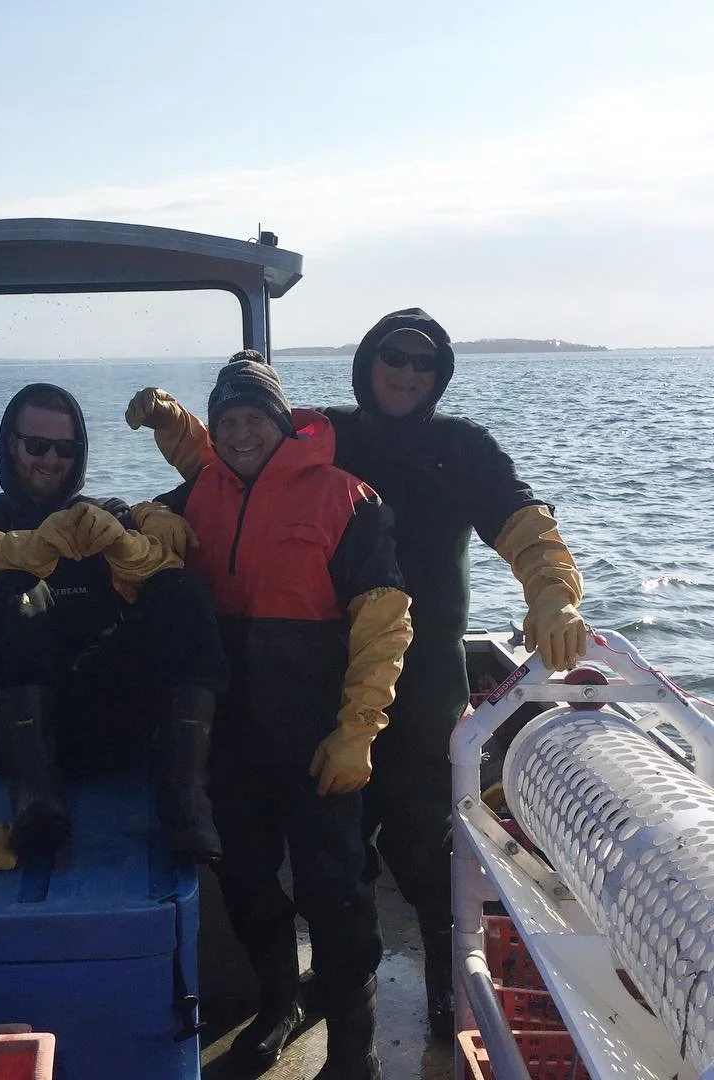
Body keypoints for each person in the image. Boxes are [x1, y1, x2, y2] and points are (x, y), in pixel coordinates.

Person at [125, 316, 586, 1040]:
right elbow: (239, 462)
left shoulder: (461, 447)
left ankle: (446, 975)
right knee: (340, 851)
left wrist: (554, 593)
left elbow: (524, 522)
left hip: (422, 674)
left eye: (423, 363)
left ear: (441, 375)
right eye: (391, 357)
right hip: (320, 678)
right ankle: (339, 984)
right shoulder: (331, 432)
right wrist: (175, 425)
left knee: (418, 838)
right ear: (367, 363)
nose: (406, 372)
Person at [132, 357, 412, 1079]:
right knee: (246, 879)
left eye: (254, 418)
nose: (240, 433)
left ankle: (353, 1047)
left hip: (319, 738)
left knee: (335, 891)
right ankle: (280, 1001)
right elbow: (135, 521)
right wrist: (150, 517)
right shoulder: (203, 489)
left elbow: (384, 624)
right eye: (226, 421)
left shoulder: (346, 498)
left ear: (283, 425)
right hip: (230, 737)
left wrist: (357, 731)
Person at [0, 382, 229, 863]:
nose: (51, 459)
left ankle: (186, 800)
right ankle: (35, 796)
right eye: (38, 445)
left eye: (66, 448)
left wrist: (126, 541)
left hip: (107, 726)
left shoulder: (106, 516)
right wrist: (36, 546)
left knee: (182, 590)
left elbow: (162, 576)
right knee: (10, 585)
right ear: (10, 444)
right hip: (8, 739)